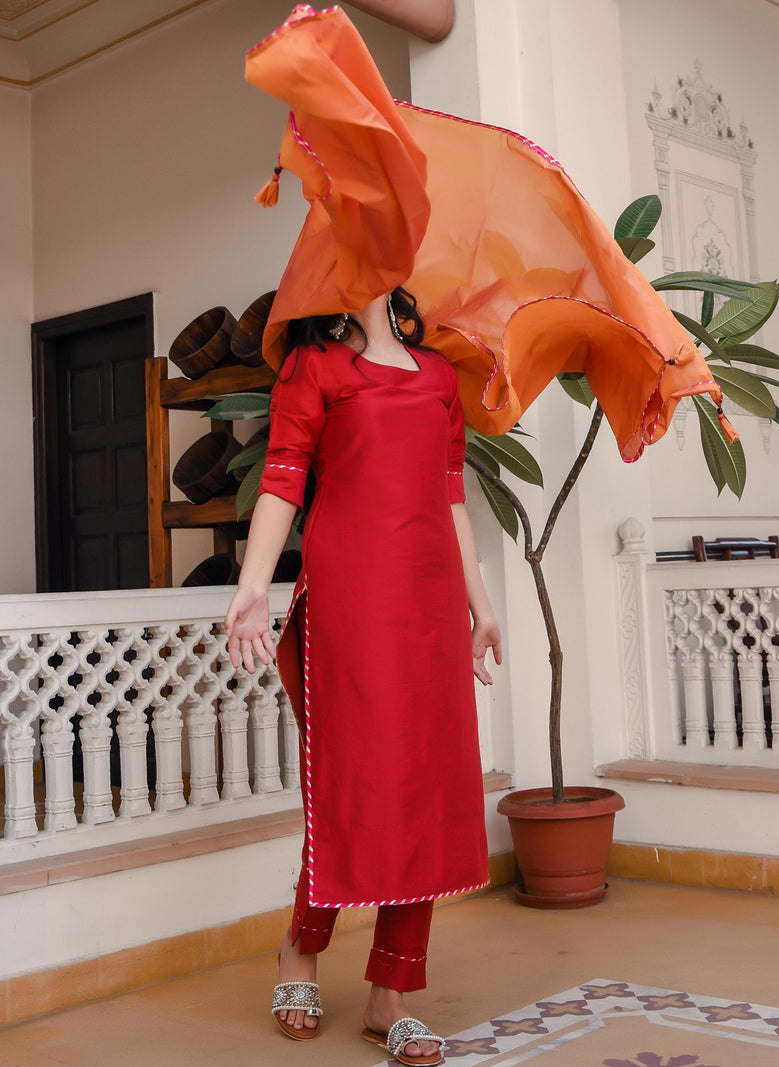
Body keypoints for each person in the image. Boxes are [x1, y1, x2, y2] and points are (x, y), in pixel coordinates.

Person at [225, 286, 502, 1067]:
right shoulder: (314, 369)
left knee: (425, 790)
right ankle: (300, 950)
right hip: (349, 599)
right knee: (354, 786)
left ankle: (392, 995)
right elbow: (282, 477)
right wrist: (253, 585)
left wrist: (480, 606)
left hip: (427, 603)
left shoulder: (439, 377)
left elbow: (450, 495)